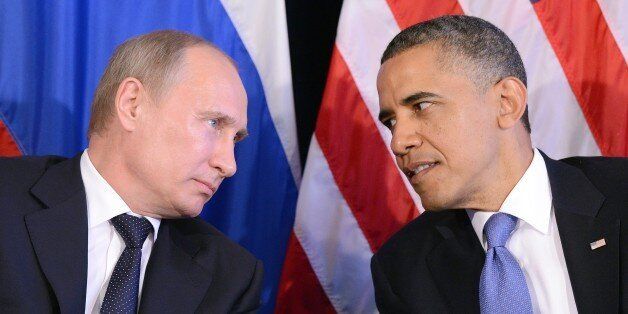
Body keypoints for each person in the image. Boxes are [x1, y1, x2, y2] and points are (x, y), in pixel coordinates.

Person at [371, 15, 626, 313]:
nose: (398, 142)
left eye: (422, 106)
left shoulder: (621, 194)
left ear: (507, 102)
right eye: (391, 122)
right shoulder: (402, 270)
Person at [0, 30, 263, 313]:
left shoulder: (232, 279)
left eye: (235, 139)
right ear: (132, 104)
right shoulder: (6, 197)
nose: (229, 165)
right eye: (213, 123)